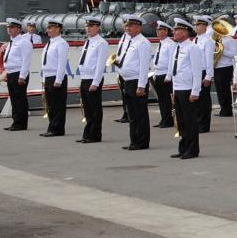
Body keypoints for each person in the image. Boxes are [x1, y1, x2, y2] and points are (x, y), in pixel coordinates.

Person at [115, 13, 152, 151]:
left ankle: (141, 141)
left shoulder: (143, 43)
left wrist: (141, 86)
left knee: (140, 114)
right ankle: (134, 140)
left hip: (137, 82)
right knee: (132, 114)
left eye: (131, 25)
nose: (127, 27)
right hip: (127, 81)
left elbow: (143, 66)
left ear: (139, 27)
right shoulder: (129, 41)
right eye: (126, 25)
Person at [168, 18, 202, 160]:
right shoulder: (177, 47)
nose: (174, 33)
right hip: (178, 87)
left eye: (177, 31)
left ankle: (192, 150)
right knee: (181, 121)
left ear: (185, 32)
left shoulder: (192, 48)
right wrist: (174, 89)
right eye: (175, 30)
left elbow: (197, 70)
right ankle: (183, 148)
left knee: (190, 121)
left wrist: (195, 91)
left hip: (188, 89)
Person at [74, 15, 109, 144]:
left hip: (93, 79)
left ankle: (94, 135)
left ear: (97, 27)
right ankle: (87, 133)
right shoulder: (88, 41)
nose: (88, 28)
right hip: (85, 78)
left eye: (91, 26)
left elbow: (100, 65)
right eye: (87, 26)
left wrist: (95, 82)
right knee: (87, 109)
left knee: (94, 109)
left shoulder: (101, 43)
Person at [39, 18, 70, 137]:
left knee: (58, 105)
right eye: (48, 28)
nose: (48, 30)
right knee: (50, 105)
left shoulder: (61, 43)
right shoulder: (50, 43)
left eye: (51, 28)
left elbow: (62, 63)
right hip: (48, 76)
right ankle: (52, 126)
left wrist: (58, 79)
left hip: (56, 77)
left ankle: (57, 129)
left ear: (58, 29)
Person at [2, 17, 32, 131]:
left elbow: (26, 60)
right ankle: (15, 122)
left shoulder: (24, 42)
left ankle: (21, 123)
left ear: (19, 29)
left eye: (12, 27)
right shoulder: (11, 42)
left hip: (19, 73)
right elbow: (9, 59)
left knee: (20, 99)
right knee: (14, 99)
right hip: (11, 73)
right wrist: (6, 73)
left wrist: (22, 76)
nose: (9, 29)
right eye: (8, 27)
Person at [149, 21, 175, 128]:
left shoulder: (170, 44)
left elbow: (171, 61)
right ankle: (163, 119)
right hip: (158, 73)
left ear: (166, 31)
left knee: (166, 99)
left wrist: (169, 76)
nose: (157, 32)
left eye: (160, 30)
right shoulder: (161, 43)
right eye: (157, 30)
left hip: (165, 75)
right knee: (161, 99)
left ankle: (168, 120)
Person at [193, 15, 216, 133]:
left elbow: (209, 60)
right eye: (195, 24)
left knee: (203, 100)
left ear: (204, 26)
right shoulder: (195, 40)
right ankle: (197, 122)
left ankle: (204, 125)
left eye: (198, 25)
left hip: (203, 72)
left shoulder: (208, 41)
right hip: (194, 72)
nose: (195, 27)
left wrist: (208, 75)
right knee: (196, 99)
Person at [213, 17, 236, 119]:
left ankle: (227, 110)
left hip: (226, 67)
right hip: (217, 66)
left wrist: (222, 51)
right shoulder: (218, 39)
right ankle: (223, 108)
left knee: (225, 89)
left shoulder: (229, 39)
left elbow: (234, 54)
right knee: (219, 89)